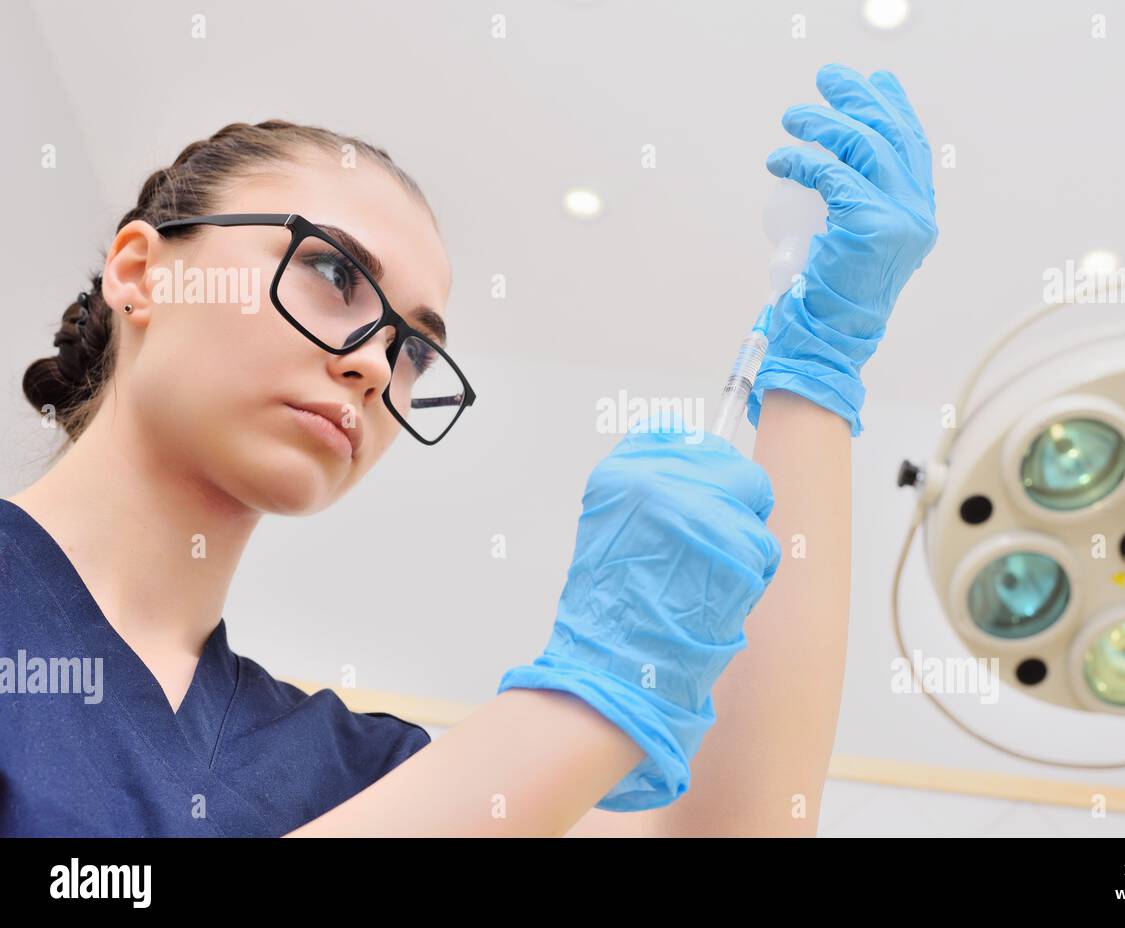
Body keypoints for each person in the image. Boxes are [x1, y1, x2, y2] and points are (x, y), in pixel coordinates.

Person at [0, 63, 936, 837]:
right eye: (331, 272)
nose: (376, 363)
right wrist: (590, 697)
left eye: (414, 348)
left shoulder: (345, 770)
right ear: (141, 272)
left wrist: (818, 369)